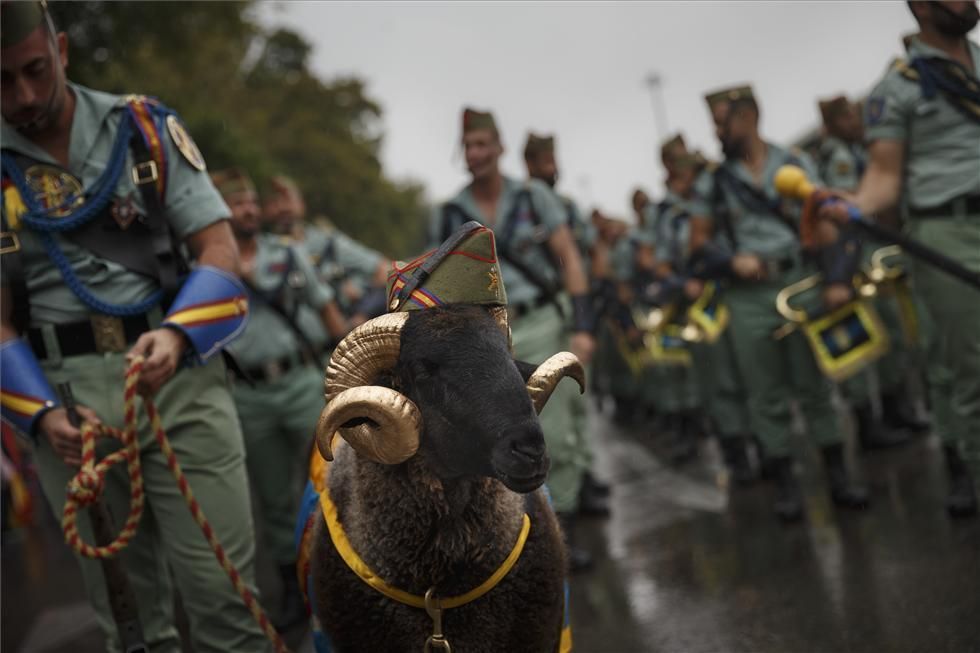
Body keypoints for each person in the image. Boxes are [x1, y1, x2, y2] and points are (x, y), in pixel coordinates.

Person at [0, 3, 269, 650]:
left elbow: (220, 251)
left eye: (37, 70)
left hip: (178, 377)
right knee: (132, 628)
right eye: (3, 81)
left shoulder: (142, 126)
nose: (25, 95)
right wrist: (40, 416)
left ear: (63, 49)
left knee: (226, 605)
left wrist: (177, 337)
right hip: (68, 409)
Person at [820, 0, 980, 517]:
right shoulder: (899, 88)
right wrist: (853, 206)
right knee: (973, 375)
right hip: (945, 233)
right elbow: (884, 178)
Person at [687, 85, 868, 522]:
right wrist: (732, 260)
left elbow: (825, 225)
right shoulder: (713, 181)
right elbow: (697, 244)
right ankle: (786, 484)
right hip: (748, 295)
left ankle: (838, 476)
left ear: (747, 116)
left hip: (799, 280)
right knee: (764, 392)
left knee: (814, 384)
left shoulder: (793, 163)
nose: (716, 130)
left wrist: (835, 278)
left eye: (722, 120)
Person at [432, 107, 597, 571]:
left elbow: (569, 259)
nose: (475, 153)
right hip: (486, 341)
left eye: (483, 144)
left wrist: (582, 325)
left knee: (556, 436)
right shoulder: (449, 213)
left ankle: (562, 535)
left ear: (500, 147)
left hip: (542, 321)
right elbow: (438, 289)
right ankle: (520, 534)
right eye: (467, 146)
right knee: (503, 437)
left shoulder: (533, 196)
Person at [212, 167, 349, 628]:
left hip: (301, 385)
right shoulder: (209, 266)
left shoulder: (287, 254)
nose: (249, 209)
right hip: (248, 395)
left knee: (330, 477)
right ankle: (293, 587)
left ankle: (342, 568)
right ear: (218, 210)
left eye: (252, 201)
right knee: (273, 497)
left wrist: (355, 369)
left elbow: (326, 307)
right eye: (236, 203)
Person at [648, 134, 755, 481]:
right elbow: (661, 264)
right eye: (675, 164)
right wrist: (683, 285)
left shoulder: (720, 192)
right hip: (699, 307)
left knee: (750, 372)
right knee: (716, 381)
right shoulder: (667, 214)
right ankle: (736, 456)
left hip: (736, 293)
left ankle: (767, 448)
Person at [817, 95, 921, 450]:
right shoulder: (840, 157)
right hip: (858, 256)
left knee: (890, 336)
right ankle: (876, 422)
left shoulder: (853, 150)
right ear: (834, 123)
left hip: (869, 251)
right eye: (847, 117)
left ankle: (897, 410)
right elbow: (846, 211)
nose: (856, 122)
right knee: (873, 341)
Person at [522, 133, 609, 518]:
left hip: (566, 304)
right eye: (542, 162)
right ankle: (570, 489)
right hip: (541, 311)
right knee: (555, 407)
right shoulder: (522, 205)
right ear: (529, 164)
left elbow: (590, 247)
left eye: (552, 161)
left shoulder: (567, 207)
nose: (550, 169)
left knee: (576, 400)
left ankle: (583, 473)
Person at [262, 174, 390, 329]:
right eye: (274, 202)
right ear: (263, 210)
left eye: (287, 199)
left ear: (301, 204)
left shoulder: (329, 244)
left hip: (339, 345)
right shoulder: (260, 252)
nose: (282, 207)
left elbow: (386, 270)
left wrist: (363, 311)